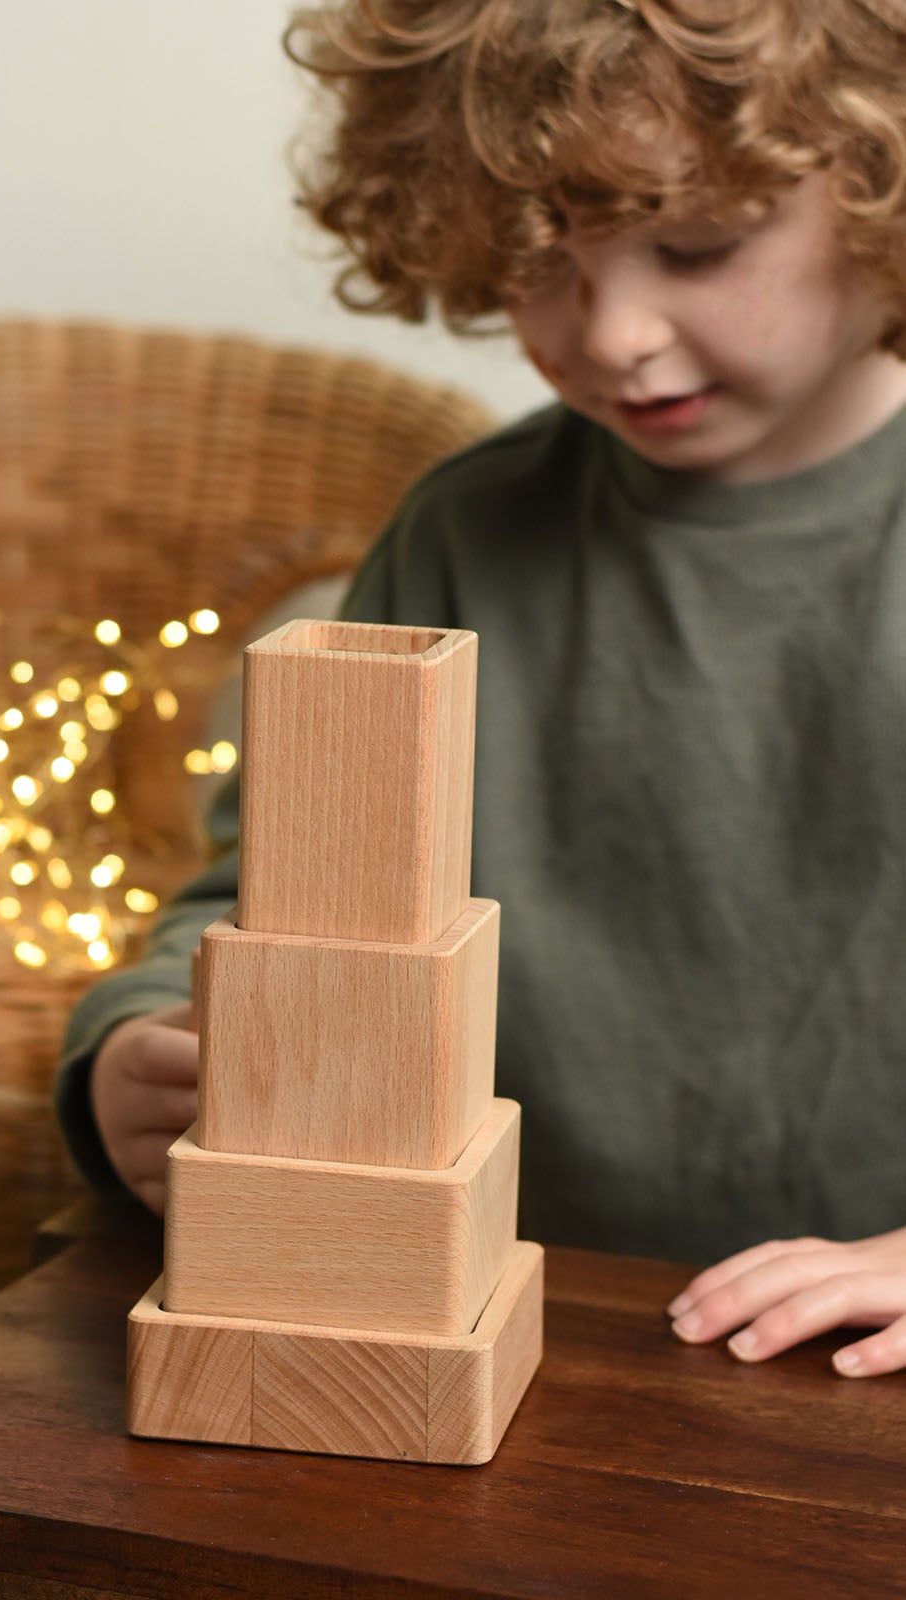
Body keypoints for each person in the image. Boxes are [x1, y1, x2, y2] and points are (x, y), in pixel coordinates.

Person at [57, 0, 906, 1378]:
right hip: (514, 1338)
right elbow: (265, 906)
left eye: (694, 246)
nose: (615, 332)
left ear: (881, 178)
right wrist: (129, 1058)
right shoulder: (463, 533)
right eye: (539, 268)